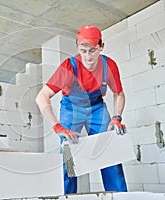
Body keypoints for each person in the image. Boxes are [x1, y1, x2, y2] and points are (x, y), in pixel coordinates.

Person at [36, 25, 127, 194]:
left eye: (92, 51)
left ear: (101, 46)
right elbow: (42, 97)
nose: (88, 57)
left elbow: (119, 94)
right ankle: (68, 197)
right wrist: (57, 126)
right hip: (71, 109)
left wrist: (116, 118)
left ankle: (119, 196)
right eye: (83, 51)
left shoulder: (109, 66)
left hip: (97, 108)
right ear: (77, 47)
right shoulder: (69, 67)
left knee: (109, 152)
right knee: (69, 157)